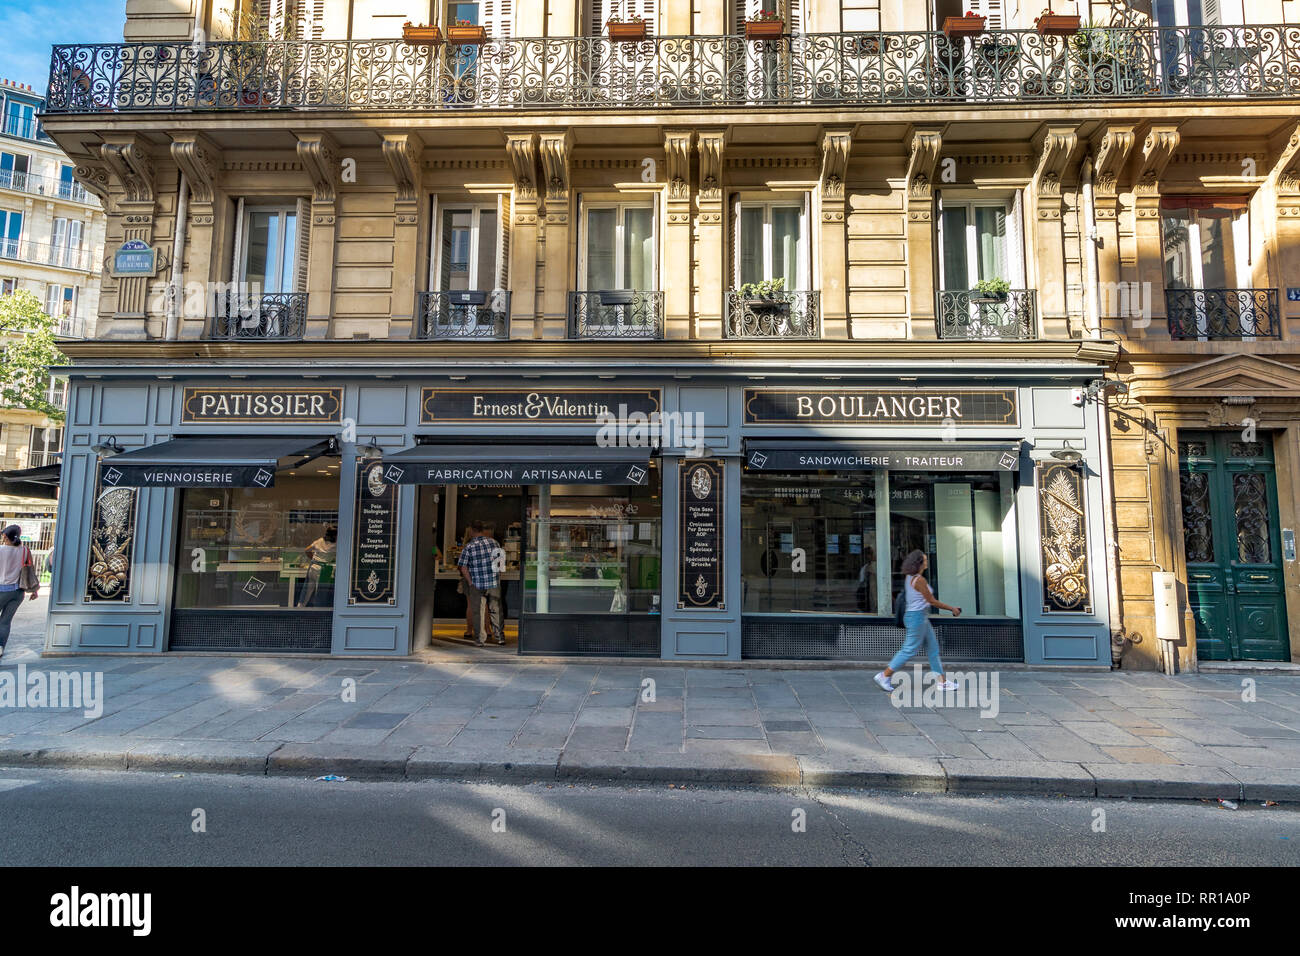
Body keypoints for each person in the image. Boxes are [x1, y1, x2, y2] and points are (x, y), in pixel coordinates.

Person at [875, 550, 960, 692]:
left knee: (933, 649)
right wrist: (952, 608)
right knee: (909, 650)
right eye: (925, 560)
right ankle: (885, 675)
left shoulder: (910, 577)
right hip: (917, 618)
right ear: (919, 563)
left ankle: (942, 682)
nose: (927, 562)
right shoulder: (919, 580)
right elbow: (931, 601)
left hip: (919, 617)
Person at [458, 520, 504, 646]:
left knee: (478, 611)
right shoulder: (494, 543)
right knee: (496, 610)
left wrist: (470, 581)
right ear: (482, 530)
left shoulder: (469, 546)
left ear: (472, 530)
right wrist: (497, 576)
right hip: (493, 582)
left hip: (477, 584)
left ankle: (480, 640)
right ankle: (500, 637)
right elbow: (501, 563)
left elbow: (463, 567)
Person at [0, 525, 39, 659]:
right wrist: (34, 590)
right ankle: (0, 647)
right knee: (5, 622)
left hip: (1, 590)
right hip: (17, 592)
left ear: (5, 536)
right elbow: (31, 571)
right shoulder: (24, 550)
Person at [297, 524, 337, 607]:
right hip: (324, 569)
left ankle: (299, 608)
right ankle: (318, 612)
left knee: (307, 591)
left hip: (313, 566)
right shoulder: (336, 544)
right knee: (321, 593)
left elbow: (307, 550)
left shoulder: (320, 540)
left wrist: (313, 559)